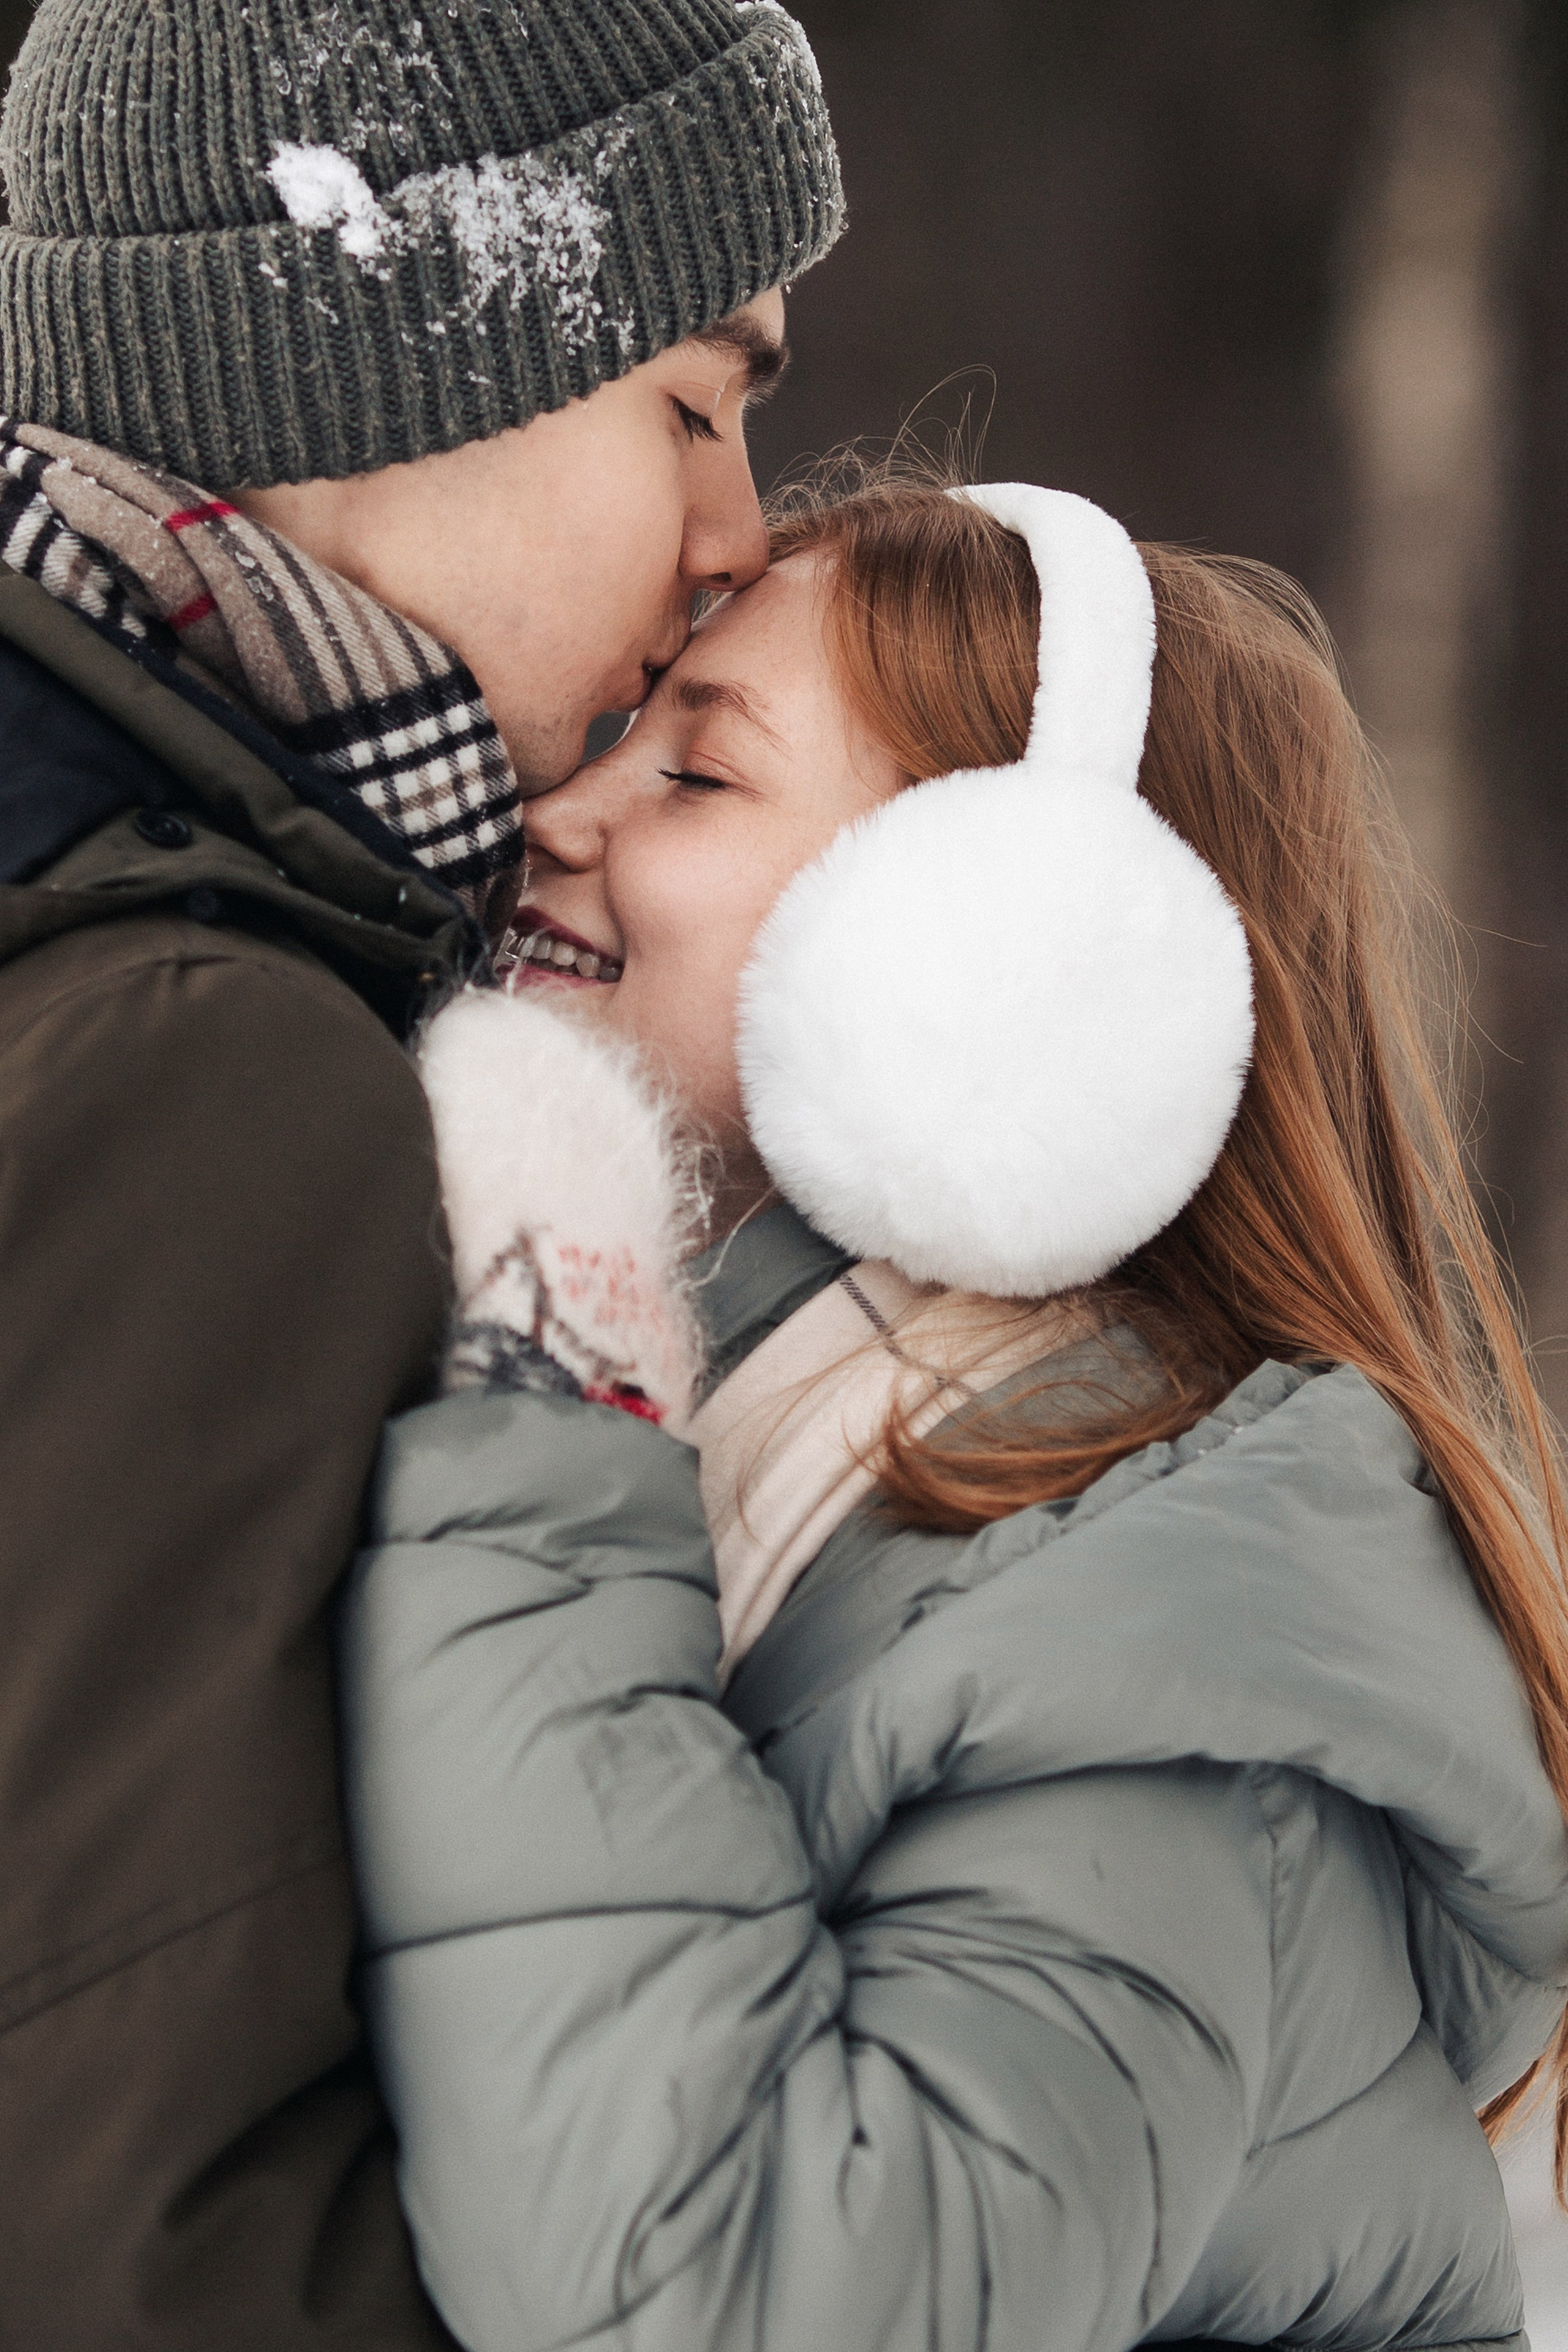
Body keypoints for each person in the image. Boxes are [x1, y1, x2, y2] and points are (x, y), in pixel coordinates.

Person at [342, 472, 1568, 2350]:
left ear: (997, 964)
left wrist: (558, 1382)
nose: (554, 812)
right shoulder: (840, 1457)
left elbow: (747, 2293)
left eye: (696, 774)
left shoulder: (1180, 1673)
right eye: (607, 739)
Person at [0, 0, 842, 2342]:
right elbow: (128, 2204)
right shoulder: (211, 1064)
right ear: (381, 349)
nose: (735, 538)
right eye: (691, 400)